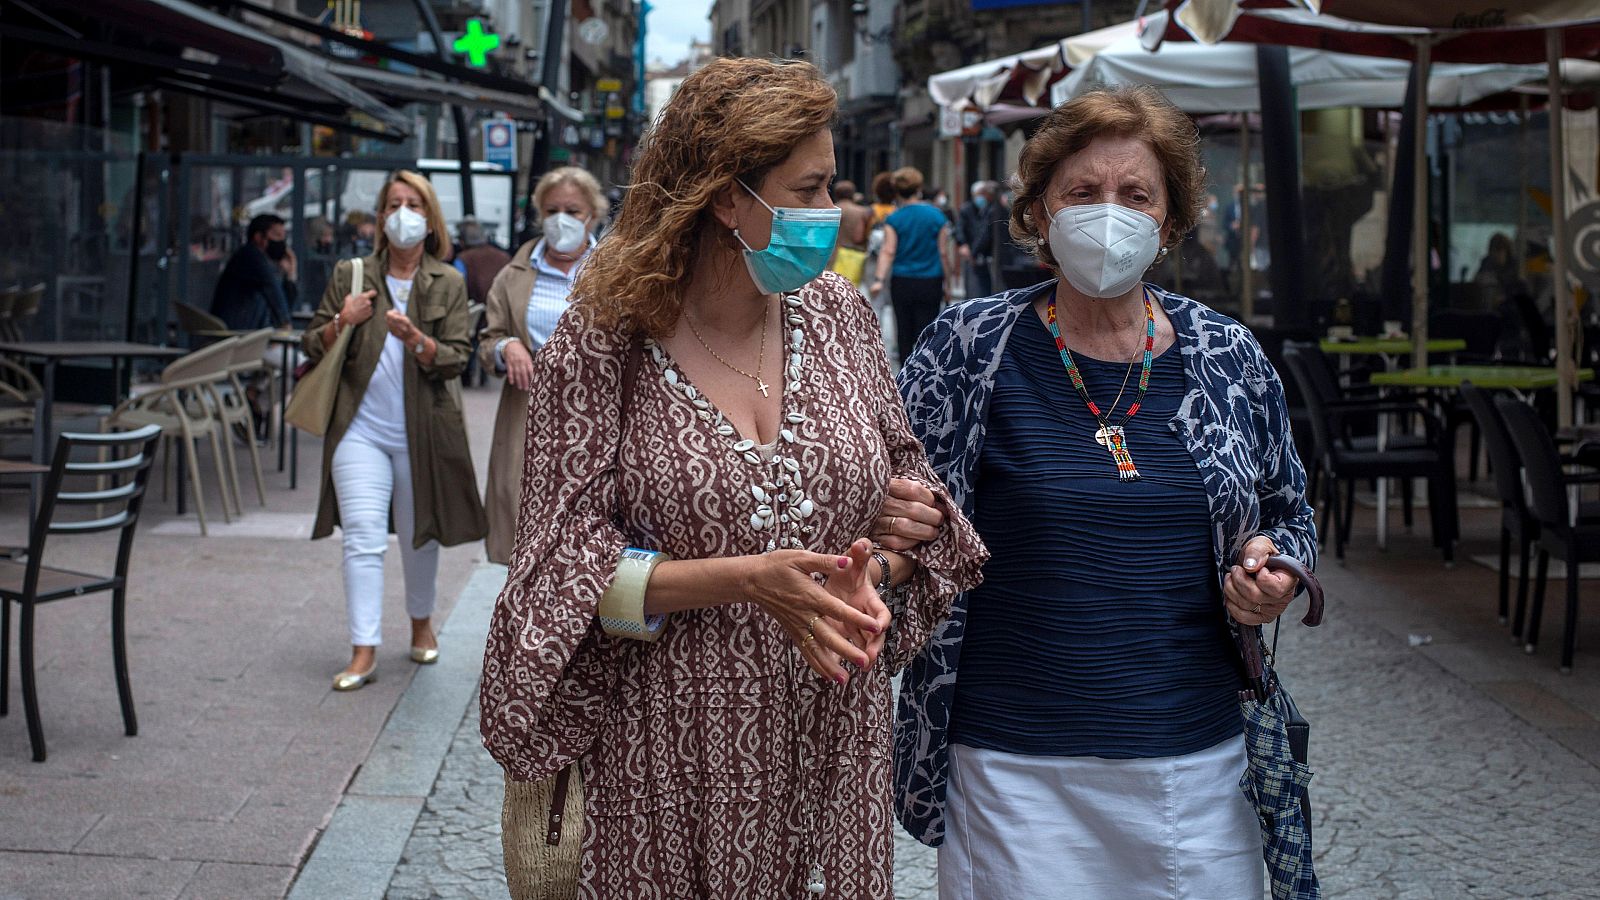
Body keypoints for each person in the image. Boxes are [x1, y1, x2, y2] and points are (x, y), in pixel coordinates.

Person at [478, 58, 986, 899]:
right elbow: (557, 577)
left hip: (831, 738)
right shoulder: (605, 343)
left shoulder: (838, 314)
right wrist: (749, 581)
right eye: (812, 188)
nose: (832, 216)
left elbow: (911, 490)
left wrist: (882, 565)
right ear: (726, 197)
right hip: (666, 747)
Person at [887, 86, 1319, 899]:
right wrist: (890, 520)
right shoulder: (969, 345)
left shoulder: (1227, 353)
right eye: (1082, 193)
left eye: (1135, 194)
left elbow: (1288, 509)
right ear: (1040, 209)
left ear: (1169, 220)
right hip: (1011, 766)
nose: (1108, 214)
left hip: (1197, 761)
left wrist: (1277, 570)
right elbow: (890, 499)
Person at [301, 170, 487, 692]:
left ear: (429, 220)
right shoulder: (352, 274)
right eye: (393, 204)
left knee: (417, 534)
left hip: (422, 429)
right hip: (358, 429)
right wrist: (343, 319)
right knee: (361, 538)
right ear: (381, 218)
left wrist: (416, 340)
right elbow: (312, 343)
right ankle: (363, 649)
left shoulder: (446, 280)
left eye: (414, 204)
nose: (403, 213)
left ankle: (421, 622)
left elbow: (455, 359)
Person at [478, 165, 606, 565]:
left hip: (597, 421)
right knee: (524, 530)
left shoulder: (617, 269)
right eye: (552, 211)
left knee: (591, 531)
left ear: (593, 216)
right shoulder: (514, 274)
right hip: (529, 417)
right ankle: (528, 622)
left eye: (572, 210)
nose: (561, 220)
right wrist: (507, 346)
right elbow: (488, 338)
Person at [870, 166, 953, 366]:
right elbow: (943, 252)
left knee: (904, 330)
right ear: (918, 188)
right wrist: (948, 284)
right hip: (931, 280)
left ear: (897, 191)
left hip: (902, 280)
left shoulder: (894, 219)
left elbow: (888, 251)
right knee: (928, 330)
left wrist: (879, 280)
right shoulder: (937, 216)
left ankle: (907, 377)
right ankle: (928, 371)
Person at [211, 213, 296, 331]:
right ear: (258, 237)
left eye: (283, 237)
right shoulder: (250, 256)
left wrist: (291, 274)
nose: (281, 241)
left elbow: (285, 303)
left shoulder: (266, 262)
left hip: (247, 336)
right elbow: (272, 289)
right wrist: (285, 322)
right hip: (235, 335)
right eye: (277, 235)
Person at [955, 180, 1006, 299]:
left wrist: (975, 252)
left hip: (989, 255)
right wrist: (965, 246)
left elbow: (985, 234)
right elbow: (961, 229)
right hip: (978, 253)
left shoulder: (994, 210)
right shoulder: (968, 209)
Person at [452, 217, 512, 304]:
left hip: (478, 315)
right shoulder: (504, 257)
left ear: (462, 241)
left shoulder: (462, 260)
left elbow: (457, 292)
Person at [827, 178, 871, 286]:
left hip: (831, 256)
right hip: (855, 257)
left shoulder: (830, 211)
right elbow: (859, 237)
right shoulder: (862, 212)